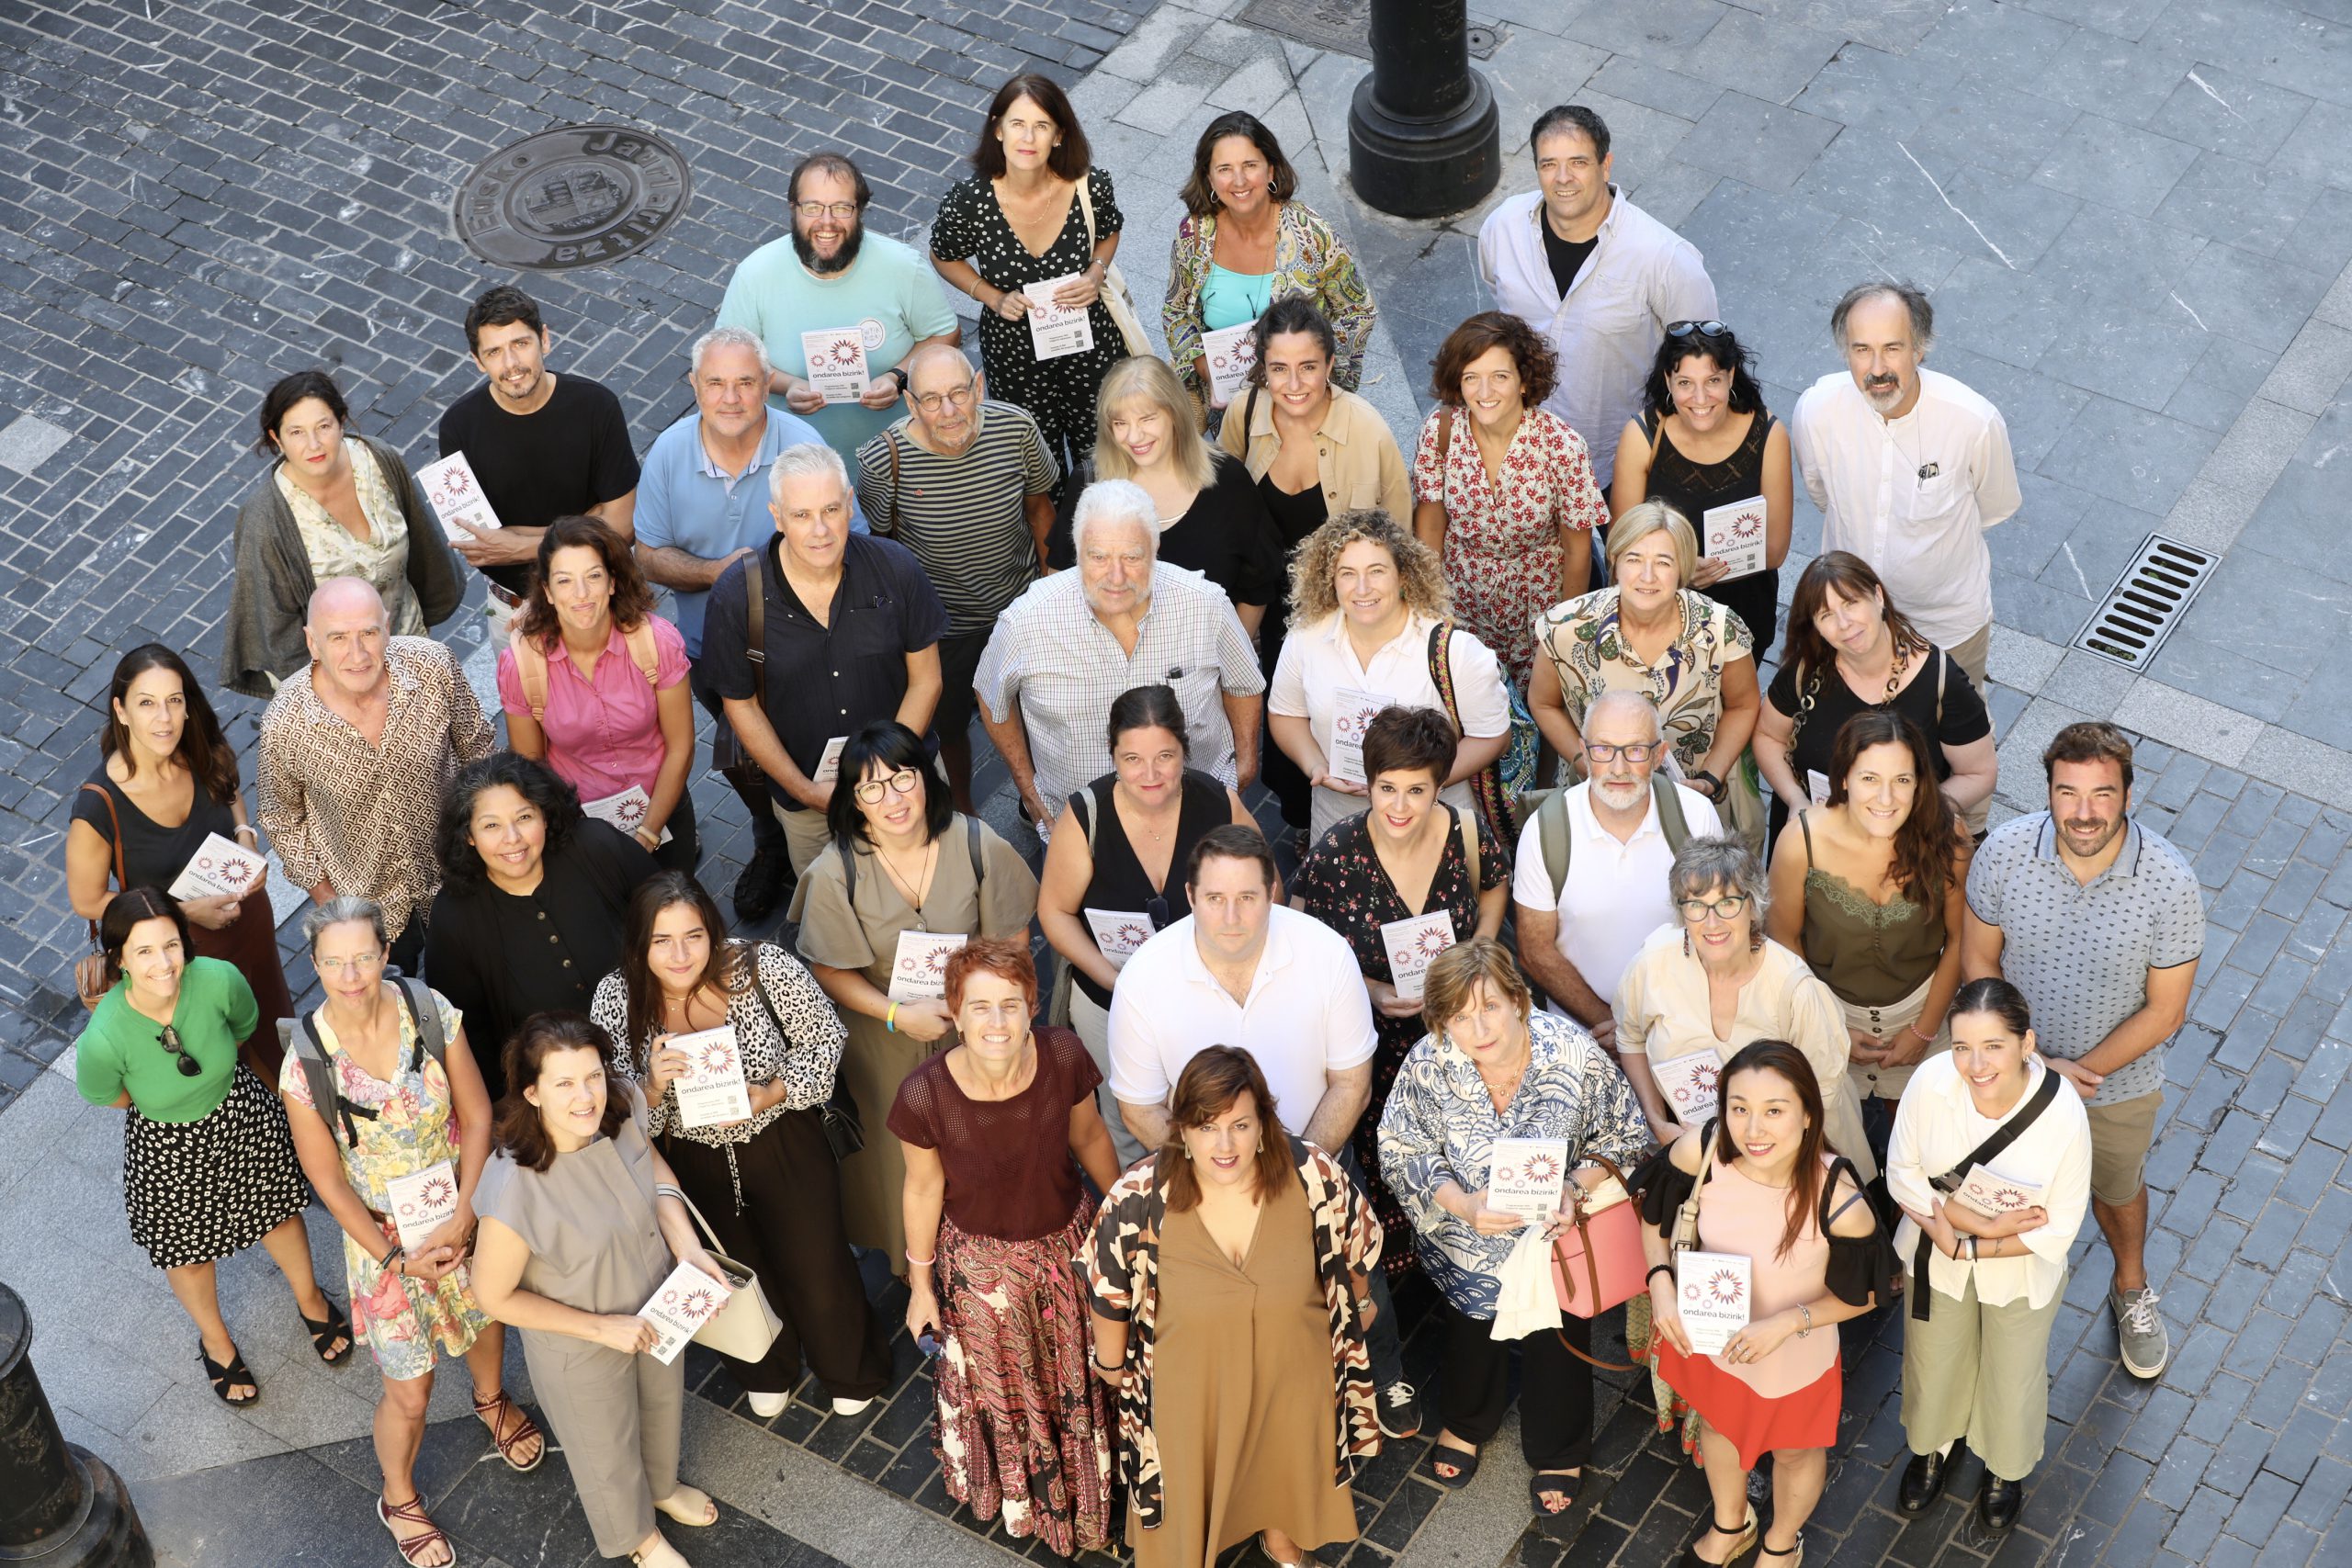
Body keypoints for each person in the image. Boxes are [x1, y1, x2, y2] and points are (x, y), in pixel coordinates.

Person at [1107, 825, 1422, 1439]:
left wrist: (1296, 1172)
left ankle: (1384, 1373)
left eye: (1248, 897)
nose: (1232, 916)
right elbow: (1138, 1107)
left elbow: (1351, 1083)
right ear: (1190, 896)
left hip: (1317, 1155)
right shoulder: (1144, 978)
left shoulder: (1325, 953)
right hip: (1206, 1179)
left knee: (1359, 1273)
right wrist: (1218, 1176)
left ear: (1272, 892)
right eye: (1215, 898)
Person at [279, 898, 540, 1568]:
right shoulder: (306, 1064)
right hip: (384, 1245)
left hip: (460, 1208)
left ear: (385, 953)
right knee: (410, 1391)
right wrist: (396, 1258)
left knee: (485, 1314)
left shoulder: (428, 1010)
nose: (350, 975)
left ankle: (490, 1398)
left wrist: (468, 1212)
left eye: (363, 957)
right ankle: (398, 1497)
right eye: (333, 961)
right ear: (315, 965)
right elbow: (329, 1183)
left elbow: (477, 1115)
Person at [591, 872, 888, 1420]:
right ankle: (764, 1366)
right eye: (661, 941)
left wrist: (772, 1092)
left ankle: (849, 1367)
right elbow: (613, 1109)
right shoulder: (615, 998)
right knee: (732, 1266)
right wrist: (651, 1086)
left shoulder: (763, 967)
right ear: (638, 944)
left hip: (782, 1139)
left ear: (712, 930)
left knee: (818, 1261)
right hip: (690, 1156)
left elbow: (825, 1039)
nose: (681, 955)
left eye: (693, 936)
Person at [1378, 940, 1650, 1530]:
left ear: (1519, 1000)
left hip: (1556, 1244)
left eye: (1490, 1007)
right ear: (1441, 1021)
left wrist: (1573, 1189)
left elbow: (1626, 1136)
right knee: (1471, 1331)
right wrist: (1460, 1203)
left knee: (1558, 1340)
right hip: (1467, 1240)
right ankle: (1467, 1420)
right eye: (1459, 1016)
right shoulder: (1428, 1062)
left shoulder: (1571, 1054)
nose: (1478, 1029)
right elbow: (1400, 1147)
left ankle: (1559, 1447)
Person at [1961, 722, 2201, 1380]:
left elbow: (2167, 1010)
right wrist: (2033, 1068)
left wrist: (2073, 1075)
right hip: (2009, 1072)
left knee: (2117, 1190)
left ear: (2128, 795)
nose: (2084, 811)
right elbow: (1979, 961)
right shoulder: (2005, 853)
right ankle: (1987, 1299)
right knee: (2000, 1185)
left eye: (2102, 793)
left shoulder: (2169, 883)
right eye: (2068, 792)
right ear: (2049, 791)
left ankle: (2131, 1286)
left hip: (2116, 1086)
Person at [1086, 1046, 1383, 1568]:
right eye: (1206, 1127)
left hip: (1293, 1371)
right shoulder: (1139, 1194)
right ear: (1182, 1129)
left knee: (1285, 1458)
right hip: (1188, 1391)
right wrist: (1113, 1368)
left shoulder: (1311, 1172)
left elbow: (1354, 1249)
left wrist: (1359, 1305)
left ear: (1263, 1124)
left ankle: (1283, 1539)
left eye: (1239, 1126)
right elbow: (1107, 1293)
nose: (1224, 1146)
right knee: (1184, 1490)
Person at [470, 1014, 728, 1568]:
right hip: (580, 1341)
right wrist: (603, 1328)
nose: (586, 1097)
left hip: (655, 1302)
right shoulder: (514, 1185)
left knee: (662, 1406)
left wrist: (687, 1246)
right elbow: (491, 1296)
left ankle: (661, 1488)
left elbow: (652, 1166)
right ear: (532, 1092)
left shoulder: (622, 1103)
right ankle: (638, 1538)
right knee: (603, 1446)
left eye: (592, 1076)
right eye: (564, 1083)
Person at [74, 888, 345, 1408]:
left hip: (239, 1113)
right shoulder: (104, 1037)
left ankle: (311, 1298)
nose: (163, 963)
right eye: (144, 951)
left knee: (278, 1213)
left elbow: (242, 1028)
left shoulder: (220, 979)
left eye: (171, 945)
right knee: (188, 1255)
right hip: (166, 1145)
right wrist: (174, 1100)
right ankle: (216, 1341)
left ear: (185, 942)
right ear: (119, 959)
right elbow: (112, 1096)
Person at [892, 940, 1121, 1556]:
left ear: (1032, 1007)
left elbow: (1091, 1136)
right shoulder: (923, 1095)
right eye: (980, 1006)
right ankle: (1026, 1497)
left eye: (1010, 1005)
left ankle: (1085, 1491)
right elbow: (923, 1188)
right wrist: (920, 1287)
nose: (997, 1022)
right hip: (981, 1278)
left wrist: (1125, 1217)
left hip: (1067, 1255)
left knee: (1074, 1380)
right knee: (1009, 1394)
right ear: (955, 1014)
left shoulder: (1064, 1054)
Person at [789, 720, 1038, 1266]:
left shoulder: (975, 843)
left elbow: (1012, 938)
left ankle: (996, 1257)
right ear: (855, 801)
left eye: (903, 778)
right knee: (899, 1162)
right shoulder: (835, 874)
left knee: (987, 1144)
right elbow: (829, 968)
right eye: (872, 788)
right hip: (885, 1041)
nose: (893, 798)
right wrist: (898, 1015)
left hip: (975, 1033)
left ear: (926, 777)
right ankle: (914, 1268)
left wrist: (979, 1008)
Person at [1636, 1041, 1891, 1565]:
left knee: (1795, 1453)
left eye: (1774, 1111)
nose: (1753, 1130)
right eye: (1739, 1108)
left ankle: (1782, 1543)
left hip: (1793, 1361)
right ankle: (1731, 1524)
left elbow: (1866, 1294)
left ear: (1807, 1115)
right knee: (1717, 1427)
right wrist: (1660, 1282)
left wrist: (1786, 1323)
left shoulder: (1837, 1196)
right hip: (1714, 1341)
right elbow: (1655, 1216)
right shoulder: (1703, 1149)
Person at [634, 327, 850, 919]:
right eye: (716, 383)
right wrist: (716, 573)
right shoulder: (669, 454)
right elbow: (648, 555)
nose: (730, 398)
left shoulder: (802, 445)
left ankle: (835, 842)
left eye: (746, 383)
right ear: (693, 385)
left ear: (767, 384)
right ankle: (770, 840)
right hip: (708, 650)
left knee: (809, 747)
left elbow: (845, 543)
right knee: (743, 758)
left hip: (803, 650)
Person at [1293, 706, 1508, 1278]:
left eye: (1417, 790)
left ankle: (1462, 1259)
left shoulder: (1465, 833)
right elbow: (1303, 944)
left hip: (1458, 1044)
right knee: (1387, 1163)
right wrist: (1370, 992)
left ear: (1440, 787)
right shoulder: (1336, 854)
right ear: (1369, 783)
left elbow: (1494, 885)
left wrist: (1478, 954)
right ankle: (1394, 1274)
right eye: (1387, 788)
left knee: (1460, 1156)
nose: (1400, 806)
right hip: (1376, 1047)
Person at [1887, 979, 2092, 1534]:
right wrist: (1978, 1226)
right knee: (1934, 1355)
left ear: (2027, 1043)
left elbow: (2061, 1229)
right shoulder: (1931, 1083)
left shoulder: (2063, 1115)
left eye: (1993, 1046)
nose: (1975, 1065)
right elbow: (1901, 1175)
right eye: (1962, 1047)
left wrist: (1970, 1245)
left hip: (2019, 1266)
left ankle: (2004, 1466)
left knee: (2014, 1369)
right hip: (1937, 1251)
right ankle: (1933, 1446)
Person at [700, 442, 947, 881]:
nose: (820, 531)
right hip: (811, 807)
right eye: (801, 515)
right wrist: (807, 792)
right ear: (777, 517)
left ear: (850, 504)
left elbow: (926, 680)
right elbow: (741, 706)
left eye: (831, 510)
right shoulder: (736, 597)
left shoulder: (895, 568)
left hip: (907, 784)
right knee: (835, 911)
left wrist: (886, 778)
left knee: (938, 890)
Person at [1036, 684, 1258, 1167]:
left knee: (1213, 1104)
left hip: (1205, 994)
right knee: (1126, 1117)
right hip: (1109, 1000)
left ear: (1184, 752)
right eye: (1133, 759)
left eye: (1165, 757)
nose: (1150, 774)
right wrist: (1116, 981)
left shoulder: (1217, 806)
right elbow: (1054, 913)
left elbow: (1267, 889)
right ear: (1113, 755)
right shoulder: (1086, 816)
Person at [1218, 298, 1412, 832]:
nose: (1294, 384)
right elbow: (1224, 501)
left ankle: (1356, 820)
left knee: (1340, 714)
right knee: (1284, 709)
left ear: (1329, 364)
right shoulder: (1244, 413)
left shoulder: (1367, 428)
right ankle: (1303, 823)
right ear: (1263, 368)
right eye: (1279, 368)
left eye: (1308, 366)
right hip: (1269, 603)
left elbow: (1399, 533)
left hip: (1344, 607)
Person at [976, 479, 1265, 833]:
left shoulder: (1206, 604)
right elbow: (991, 696)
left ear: (1155, 550)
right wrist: (1029, 792)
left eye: (1131, 557)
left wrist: (1244, 766)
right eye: (1098, 557)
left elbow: (1243, 684)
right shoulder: (1025, 622)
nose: (1116, 577)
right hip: (1082, 829)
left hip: (1197, 815)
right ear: (1077, 551)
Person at [70, 645, 295, 1083]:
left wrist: (246, 838)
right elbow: (87, 900)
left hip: (248, 918)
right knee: (226, 1060)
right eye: (147, 703)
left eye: (174, 700)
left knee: (274, 1023)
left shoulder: (196, 745)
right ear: (121, 711)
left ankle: (300, 1101)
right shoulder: (98, 806)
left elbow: (229, 791)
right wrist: (184, 911)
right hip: (181, 952)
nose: (165, 719)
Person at [1791, 281, 2021, 702]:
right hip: (1850, 624)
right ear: (1845, 352)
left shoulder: (1972, 422)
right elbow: (1822, 495)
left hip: (1947, 627)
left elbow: (1994, 506)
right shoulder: (1816, 411)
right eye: (1862, 349)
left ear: (1920, 348)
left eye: (1892, 348)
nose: (1877, 368)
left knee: (1954, 730)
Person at [255, 578, 495, 976]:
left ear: (387, 626)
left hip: (459, 876)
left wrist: (488, 847)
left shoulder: (433, 667)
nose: (358, 654)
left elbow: (479, 752)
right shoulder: (286, 722)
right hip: (367, 906)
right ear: (312, 643)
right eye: (338, 638)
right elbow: (281, 818)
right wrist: (331, 903)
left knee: (479, 987)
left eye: (368, 633)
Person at [855, 343, 1057, 809]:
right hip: (942, 630)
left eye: (959, 394)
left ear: (979, 387)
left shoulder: (1016, 428)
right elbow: (885, 549)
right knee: (949, 728)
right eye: (931, 399)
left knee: (1038, 711)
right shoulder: (882, 460)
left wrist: (1049, 594)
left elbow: (1040, 510)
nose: (948, 412)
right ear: (911, 404)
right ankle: (963, 809)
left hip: (1020, 611)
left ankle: (1039, 797)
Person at [1476, 105, 1718, 491]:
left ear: (1605, 166)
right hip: (1518, 450)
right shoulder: (1503, 227)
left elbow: (1702, 359)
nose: (1563, 178)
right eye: (1549, 164)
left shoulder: (1664, 257)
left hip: (1613, 463)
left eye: (1578, 162)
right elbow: (1497, 295)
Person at [1767, 712, 1972, 1152]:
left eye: (1902, 780)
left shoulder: (1947, 835)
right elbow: (1784, 942)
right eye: (1869, 779)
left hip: (1925, 1012)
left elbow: (1960, 940)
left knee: (1927, 1148)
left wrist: (1924, 1031)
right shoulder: (1801, 840)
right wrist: (1831, 1026)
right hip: (1826, 1013)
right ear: (1843, 779)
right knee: (1830, 1150)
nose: (1886, 798)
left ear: (1920, 783)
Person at [1613, 836, 1874, 1180]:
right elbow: (1630, 1037)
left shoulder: (1796, 990)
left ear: (1753, 906)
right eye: (1696, 905)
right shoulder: (1653, 963)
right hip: (1692, 1155)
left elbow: (1819, 1101)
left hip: (1796, 1162)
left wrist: (1752, 1168)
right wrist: (1658, 1122)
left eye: (1728, 903)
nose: (1712, 922)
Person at [423, 752, 660, 1102]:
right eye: (491, 826)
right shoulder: (453, 918)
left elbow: (673, 910)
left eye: (524, 817)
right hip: (557, 1095)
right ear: (469, 836)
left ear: (545, 816)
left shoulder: (596, 846)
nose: (512, 838)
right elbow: (467, 1035)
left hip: (658, 1043)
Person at [1269, 507, 1513, 844]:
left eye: (1377, 571)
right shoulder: (1305, 638)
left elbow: (1494, 737)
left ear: (1403, 577)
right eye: (1347, 573)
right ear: (1330, 580)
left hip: (1431, 827)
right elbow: (1286, 713)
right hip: (1336, 823)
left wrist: (1419, 786)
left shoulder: (1454, 651)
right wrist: (1315, 766)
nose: (1362, 588)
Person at [930, 73, 1129, 480]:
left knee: (1107, 456)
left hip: (1089, 347)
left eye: (1041, 126)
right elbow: (943, 255)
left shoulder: (1090, 187)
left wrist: (1096, 273)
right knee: (1036, 466)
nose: (1028, 137)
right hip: (1015, 356)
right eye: (1018, 123)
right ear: (998, 129)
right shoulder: (970, 201)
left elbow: (1109, 231)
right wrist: (991, 296)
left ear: (1059, 136)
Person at [1530, 501, 1762, 848]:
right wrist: (1583, 763)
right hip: (1597, 797)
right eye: (1634, 559)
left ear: (1683, 568)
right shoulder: (1565, 627)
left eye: (1663, 562)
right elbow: (1543, 702)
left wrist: (1710, 779)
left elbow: (1744, 705)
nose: (1647, 576)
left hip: (1693, 800)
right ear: (1614, 561)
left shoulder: (1720, 628)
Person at [222, 369, 464, 698]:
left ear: (341, 422)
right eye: (296, 432)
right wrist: (328, 700)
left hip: (412, 654)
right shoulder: (266, 520)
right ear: (276, 438)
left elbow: (422, 543)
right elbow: (278, 629)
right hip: (341, 686)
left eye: (323, 426)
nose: (313, 444)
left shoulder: (378, 460)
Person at [717, 151, 963, 468]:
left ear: (860, 210)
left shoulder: (903, 267)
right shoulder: (755, 275)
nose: (827, 222)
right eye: (812, 207)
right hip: (798, 465)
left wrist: (898, 376)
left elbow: (945, 334)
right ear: (793, 208)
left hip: (900, 458)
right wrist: (786, 385)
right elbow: (727, 363)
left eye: (842, 208)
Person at [1410, 310, 1606, 690]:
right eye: (1471, 377)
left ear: (1524, 380)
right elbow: (1431, 522)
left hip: (1538, 608)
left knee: (1539, 707)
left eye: (1499, 376)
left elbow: (1577, 550)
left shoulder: (1562, 446)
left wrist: (1562, 632)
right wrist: (1429, 607)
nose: (1484, 393)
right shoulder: (1440, 431)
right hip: (1460, 602)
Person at [1511, 691, 1722, 1042]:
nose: (1619, 768)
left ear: (1659, 755)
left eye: (1635, 750)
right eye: (1603, 749)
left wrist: (1660, 1028)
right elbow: (1535, 952)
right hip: (1585, 1037)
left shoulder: (1695, 816)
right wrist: (1616, 1027)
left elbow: (1721, 929)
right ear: (1584, 752)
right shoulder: (1545, 829)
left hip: (1681, 1029)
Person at [1754, 551, 1996, 845]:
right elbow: (1768, 736)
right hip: (1813, 838)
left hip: (1903, 847)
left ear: (1878, 596)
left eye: (1851, 603)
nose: (1844, 623)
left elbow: (1979, 773)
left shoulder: (1940, 680)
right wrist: (1795, 799)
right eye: (1827, 615)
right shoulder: (1805, 670)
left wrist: (1915, 814)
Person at [497, 517, 697, 872]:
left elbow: (680, 747)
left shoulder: (657, 642)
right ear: (547, 592)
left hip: (661, 804)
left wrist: (648, 833)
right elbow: (532, 770)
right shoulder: (522, 665)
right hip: (580, 827)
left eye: (593, 576)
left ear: (612, 582)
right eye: (564, 581)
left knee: (677, 897)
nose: (581, 594)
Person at [437, 285, 640, 610]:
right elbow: (478, 543)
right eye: (494, 352)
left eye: (521, 344)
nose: (511, 364)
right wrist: (586, 524)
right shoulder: (458, 426)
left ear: (544, 339)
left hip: (601, 594)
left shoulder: (595, 406)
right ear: (477, 361)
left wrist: (518, 545)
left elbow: (623, 527)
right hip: (515, 606)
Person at [1160, 111, 1375, 410]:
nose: (1239, 180)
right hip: (1225, 399)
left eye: (1250, 165)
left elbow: (1358, 312)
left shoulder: (1312, 236)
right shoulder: (1193, 234)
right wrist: (1204, 366)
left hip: (1298, 400)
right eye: (1225, 169)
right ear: (1209, 177)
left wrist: (1313, 370)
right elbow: (1175, 310)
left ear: (1271, 171)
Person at [1611, 319, 1792, 660]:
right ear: (1668, 380)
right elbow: (1621, 542)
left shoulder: (1769, 434)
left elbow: (1775, 550)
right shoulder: (1642, 435)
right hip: (1658, 608)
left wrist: (1709, 570)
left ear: (1731, 376)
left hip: (1742, 613)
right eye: (1685, 383)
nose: (1699, 398)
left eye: (1712, 381)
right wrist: (1678, 568)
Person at [1091, 355, 1283, 633]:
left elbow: (1257, 587)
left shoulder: (1228, 481)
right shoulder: (1090, 484)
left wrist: (1230, 654)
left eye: (1146, 419)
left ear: (1175, 413)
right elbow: (1062, 580)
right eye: (1120, 423)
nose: (1133, 437)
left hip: (1208, 653)